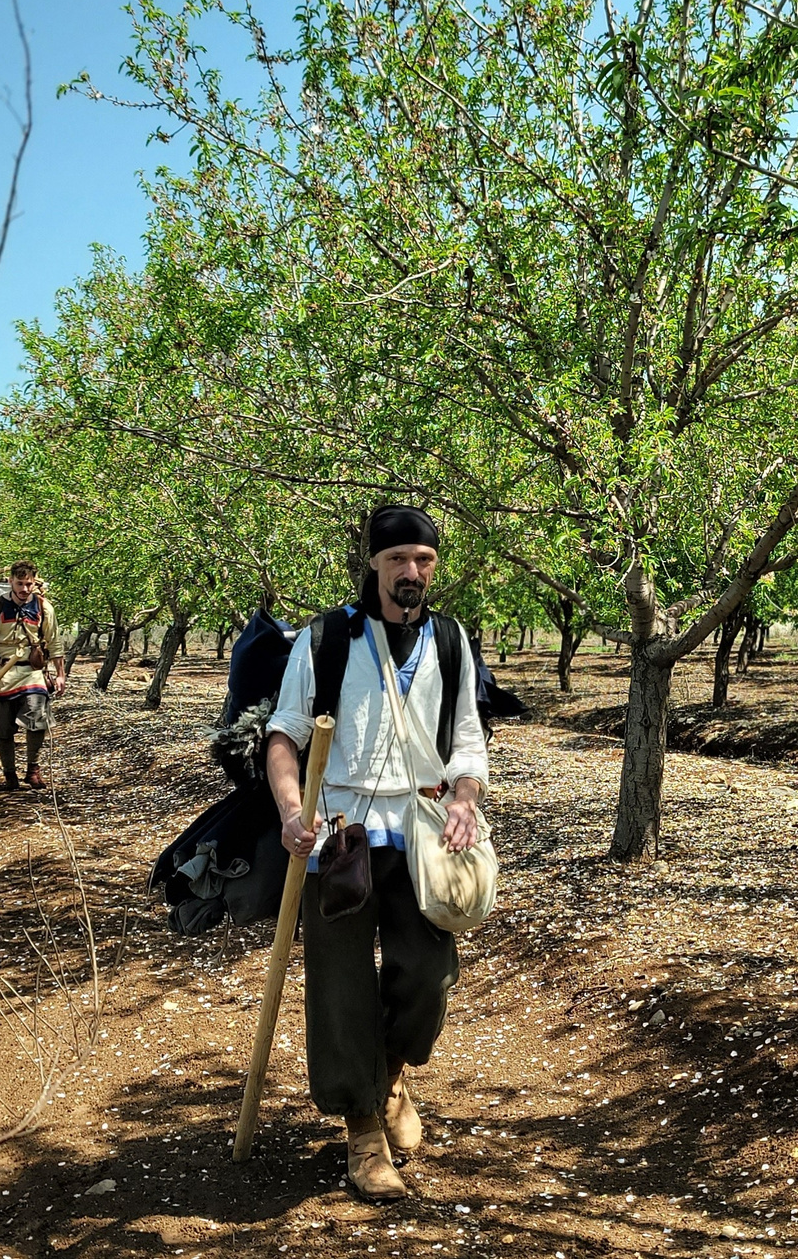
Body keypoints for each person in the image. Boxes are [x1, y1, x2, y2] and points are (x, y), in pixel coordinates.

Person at [265, 505, 489, 1202]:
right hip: (340, 834)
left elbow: (469, 741)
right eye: (399, 560)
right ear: (373, 563)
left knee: (428, 976)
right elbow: (284, 735)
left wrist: (465, 796)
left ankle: (391, 1070)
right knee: (340, 989)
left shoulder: (452, 641)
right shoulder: (329, 637)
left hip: (423, 830)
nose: (413, 572)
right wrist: (290, 811)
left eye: (424, 559)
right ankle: (362, 1130)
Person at [0, 559, 63, 789]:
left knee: (38, 718)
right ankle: (10, 774)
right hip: (0, 674)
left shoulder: (44, 608)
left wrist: (60, 674)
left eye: (29, 584)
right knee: (3, 729)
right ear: (10, 582)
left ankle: (33, 769)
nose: (24, 589)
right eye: (20, 583)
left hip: (31, 673)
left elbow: (55, 643)